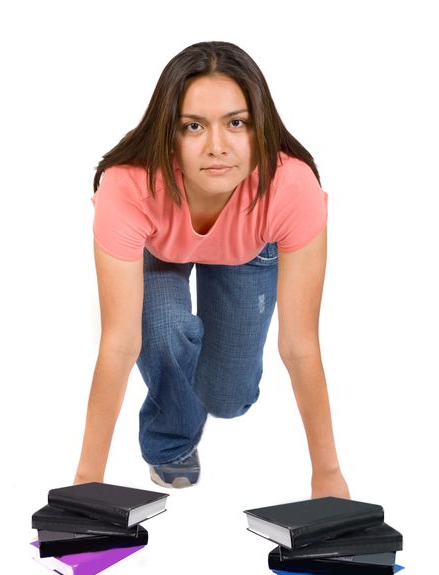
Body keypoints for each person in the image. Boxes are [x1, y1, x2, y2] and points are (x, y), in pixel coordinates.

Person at [73, 40, 350, 499]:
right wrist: (86, 483)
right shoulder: (128, 188)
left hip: (248, 250)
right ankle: (174, 437)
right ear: (169, 132)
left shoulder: (291, 187)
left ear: (260, 129)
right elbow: (120, 343)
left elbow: (300, 346)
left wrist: (328, 474)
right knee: (162, 327)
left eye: (236, 123)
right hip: (159, 247)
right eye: (194, 126)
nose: (217, 147)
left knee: (227, 398)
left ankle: (203, 375)